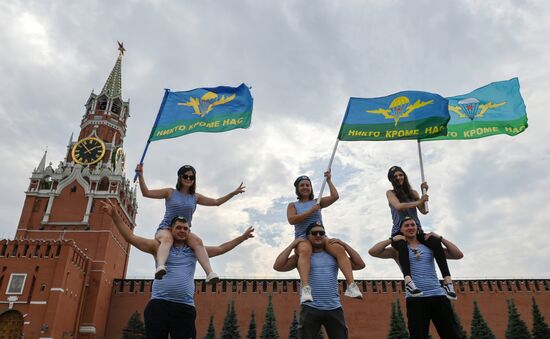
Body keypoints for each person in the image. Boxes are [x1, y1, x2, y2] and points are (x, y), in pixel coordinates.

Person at [100, 199, 254, 339]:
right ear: (171, 230)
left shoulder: (195, 251)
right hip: (159, 305)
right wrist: (114, 216)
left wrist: (242, 237)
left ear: (189, 232)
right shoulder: (158, 247)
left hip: (184, 307)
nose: (182, 230)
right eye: (178, 227)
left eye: (185, 228)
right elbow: (131, 238)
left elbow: (221, 248)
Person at [136, 164, 245, 281]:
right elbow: (146, 193)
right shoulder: (169, 192)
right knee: (167, 240)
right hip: (166, 228)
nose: (188, 179)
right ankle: (161, 266)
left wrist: (233, 193)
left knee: (198, 242)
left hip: (184, 230)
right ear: (180, 177)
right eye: (185, 176)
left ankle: (209, 273)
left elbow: (216, 202)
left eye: (191, 177)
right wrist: (140, 175)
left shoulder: (195, 197)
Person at [369, 216, 463, 339]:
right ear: (401, 230)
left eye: (413, 225)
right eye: (406, 225)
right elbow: (373, 252)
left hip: (438, 295)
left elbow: (458, 255)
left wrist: (440, 238)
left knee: (451, 335)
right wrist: (391, 239)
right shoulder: (397, 250)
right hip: (416, 299)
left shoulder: (430, 246)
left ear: (417, 228)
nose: (410, 227)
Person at [274, 222, 365, 339]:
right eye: (314, 233)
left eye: (321, 233)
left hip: (334, 308)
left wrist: (344, 244)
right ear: (308, 237)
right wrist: (293, 245)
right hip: (310, 307)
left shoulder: (335, 256)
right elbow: (278, 266)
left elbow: (360, 264)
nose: (318, 235)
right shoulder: (302, 257)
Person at [288, 171, 362, 302]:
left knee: (339, 248)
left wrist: (328, 180)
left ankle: (351, 285)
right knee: (305, 250)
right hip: (303, 238)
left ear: (311, 188)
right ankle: (306, 288)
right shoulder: (293, 205)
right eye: (302, 185)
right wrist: (311, 211)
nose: (305, 187)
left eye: (307, 185)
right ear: (297, 189)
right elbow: (292, 219)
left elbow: (335, 196)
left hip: (320, 236)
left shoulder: (318, 201)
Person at [385, 165, 456, 299]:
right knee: (401, 247)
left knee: (435, 242)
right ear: (391, 180)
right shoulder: (390, 193)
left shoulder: (413, 193)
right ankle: (408, 281)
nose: (399, 178)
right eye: (395, 176)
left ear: (404, 176)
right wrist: (419, 201)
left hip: (416, 229)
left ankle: (447, 281)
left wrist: (423, 194)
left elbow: (424, 211)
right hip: (399, 231)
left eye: (400, 175)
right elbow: (399, 206)